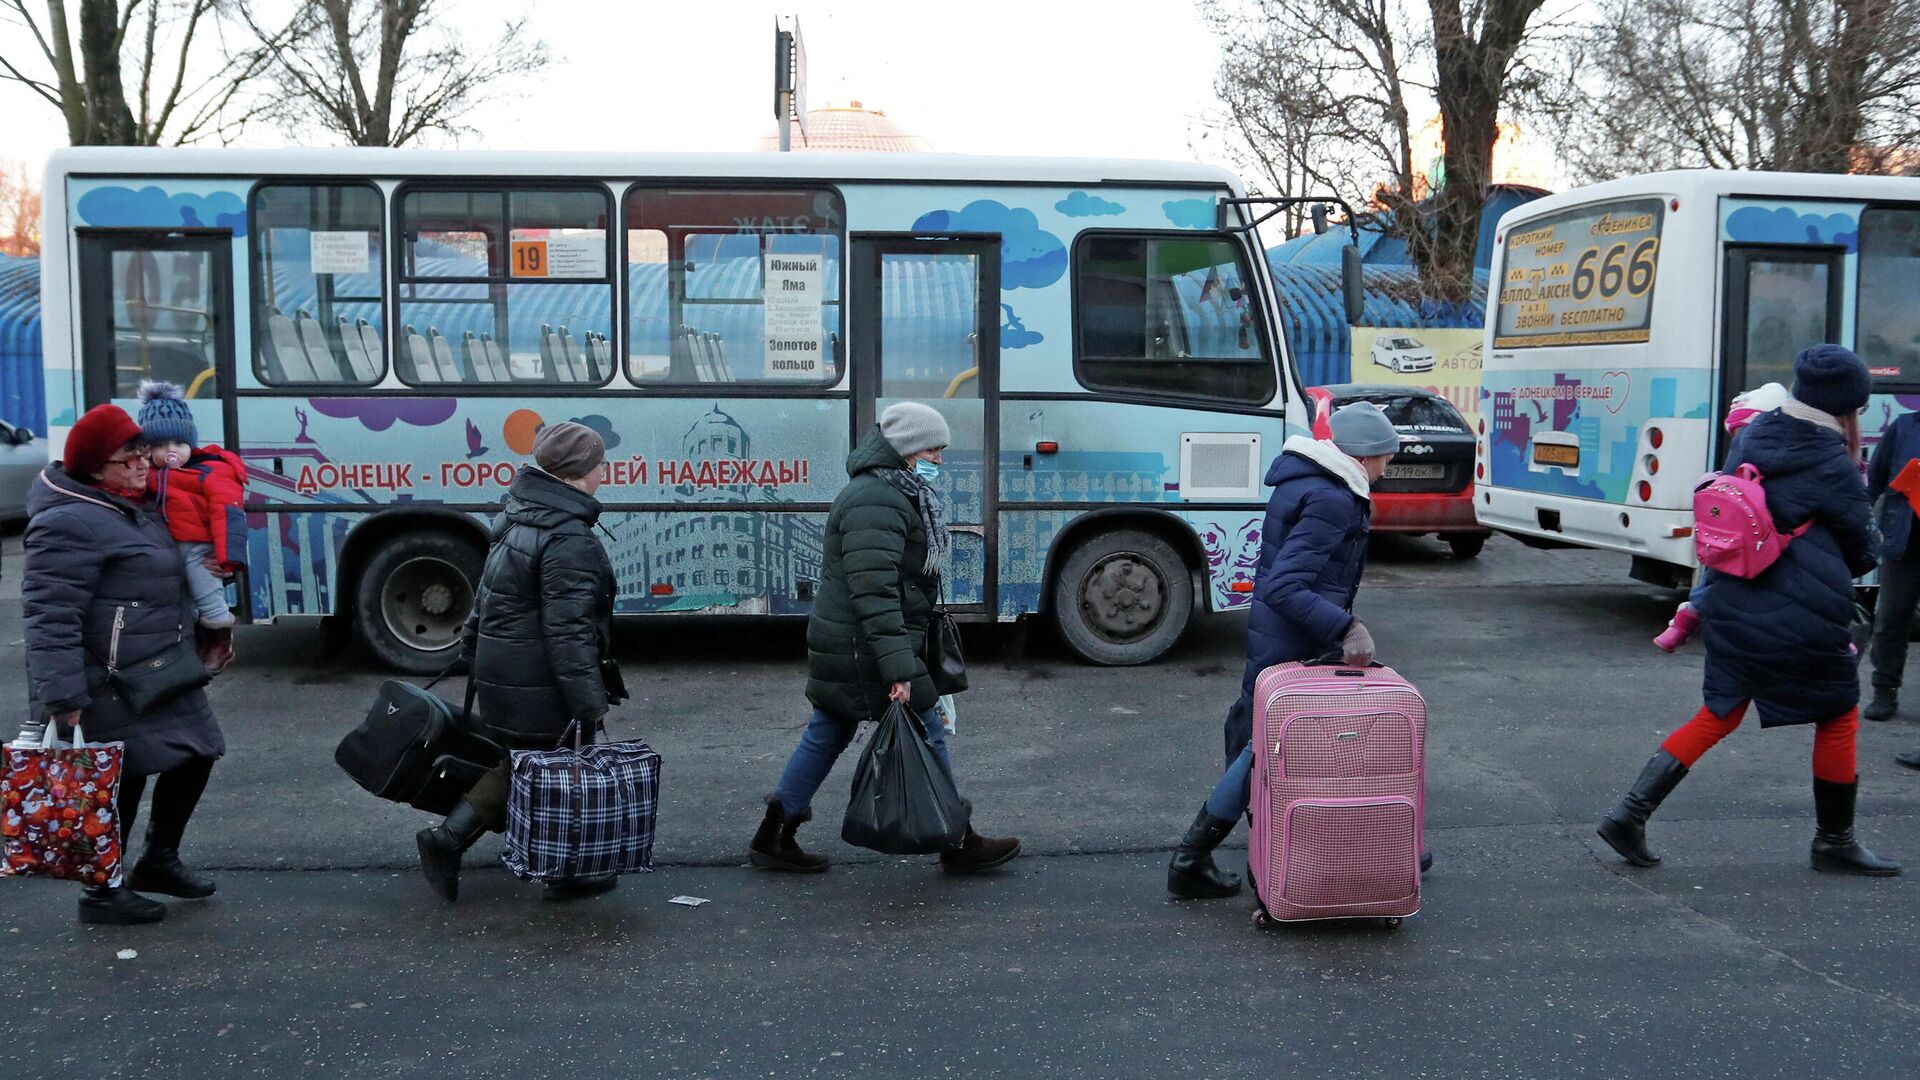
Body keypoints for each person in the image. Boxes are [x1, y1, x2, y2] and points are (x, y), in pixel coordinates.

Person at [1598, 345, 1899, 877]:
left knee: (1721, 709)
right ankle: (1835, 841)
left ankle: (1630, 812)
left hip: (1734, 599)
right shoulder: (1831, 460)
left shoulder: (1754, 435)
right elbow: (1864, 549)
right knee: (1837, 714)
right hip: (1802, 610)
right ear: (1847, 409)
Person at [748, 402, 1019, 875]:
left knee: (828, 732)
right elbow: (873, 592)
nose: (939, 459)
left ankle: (773, 834)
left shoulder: (892, 492)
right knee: (927, 728)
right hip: (866, 646)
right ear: (910, 450)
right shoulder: (878, 499)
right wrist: (899, 669)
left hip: (854, 642)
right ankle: (958, 841)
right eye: (934, 448)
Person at [1167, 403, 1402, 899]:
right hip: (1296, 647)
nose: (1388, 466)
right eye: (1385, 456)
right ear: (1364, 456)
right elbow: (1286, 587)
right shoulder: (1333, 499)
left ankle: (1389, 842)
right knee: (1263, 754)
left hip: (1286, 639)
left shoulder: (1308, 481)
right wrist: (1348, 627)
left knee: (1292, 747)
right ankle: (1191, 857)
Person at [21, 404, 226, 925]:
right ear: (94, 467)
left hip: (159, 666)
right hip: (104, 678)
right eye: (128, 455)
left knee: (198, 751)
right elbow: (50, 616)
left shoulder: (130, 503)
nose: (144, 461)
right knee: (118, 779)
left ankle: (158, 860)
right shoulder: (68, 522)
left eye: (142, 449)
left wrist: (210, 620)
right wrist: (63, 698)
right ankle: (102, 891)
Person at [415, 422, 625, 903]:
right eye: (598, 464)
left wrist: (471, 651)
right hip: (537, 678)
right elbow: (568, 632)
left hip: (505, 668)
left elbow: (486, 597)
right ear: (577, 474)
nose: (604, 472)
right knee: (552, 769)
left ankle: (460, 842)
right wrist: (589, 702)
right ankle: (539, 865)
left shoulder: (519, 513)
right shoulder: (568, 537)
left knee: (524, 764)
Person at [1654, 382, 1791, 652]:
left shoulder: (1746, 441)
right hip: (1774, 541)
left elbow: (1728, 482)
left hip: (1737, 539)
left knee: (1717, 574)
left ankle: (1689, 614)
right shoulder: (1794, 443)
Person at [135, 381, 248, 674]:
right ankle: (192, 644)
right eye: (159, 445)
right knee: (183, 603)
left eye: (178, 444)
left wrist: (228, 558)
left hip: (200, 549)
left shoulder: (211, 470)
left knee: (207, 593)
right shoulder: (148, 476)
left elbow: (228, 514)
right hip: (169, 549)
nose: (169, 451)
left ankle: (221, 642)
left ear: (191, 444)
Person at [1861, 402, 1920, 721]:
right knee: (1891, 616)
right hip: (1904, 539)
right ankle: (1884, 691)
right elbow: (1878, 475)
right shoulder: (1905, 427)